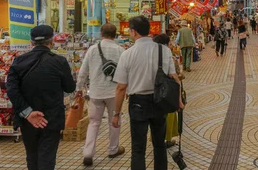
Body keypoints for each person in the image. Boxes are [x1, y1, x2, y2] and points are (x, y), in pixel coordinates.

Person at [113, 16, 184, 170]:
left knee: (138, 149)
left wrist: (116, 113)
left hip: (138, 103)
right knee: (159, 144)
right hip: (160, 101)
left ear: (133, 32)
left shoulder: (127, 54)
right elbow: (175, 78)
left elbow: (121, 87)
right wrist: (179, 101)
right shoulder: (163, 50)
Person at [6, 25, 76, 170]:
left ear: (31, 43)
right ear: (51, 42)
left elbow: (12, 90)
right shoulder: (59, 62)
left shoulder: (18, 62)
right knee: (47, 159)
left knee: (32, 158)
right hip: (51, 118)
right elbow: (70, 87)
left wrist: (28, 113)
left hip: (28, 120)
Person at [77, 24, 126, 166]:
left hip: (96, 92)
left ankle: (88, 153)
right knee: (115, 120)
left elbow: (83, 71)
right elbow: (126, 72)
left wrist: (79, 88)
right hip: (114, 92)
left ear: (101, 34)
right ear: (115, 34)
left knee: (94, 123)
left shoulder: (92, 50)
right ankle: (113, 149)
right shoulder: (120, 50)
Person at [152, 33, 184, 148]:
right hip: (165, 91)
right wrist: (179, 98)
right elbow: (174, 75)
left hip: (151, 91)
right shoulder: (166, 51)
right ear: (166, 43)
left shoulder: (148, 51)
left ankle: (155, 138)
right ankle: (167, 139)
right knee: (168, 116)